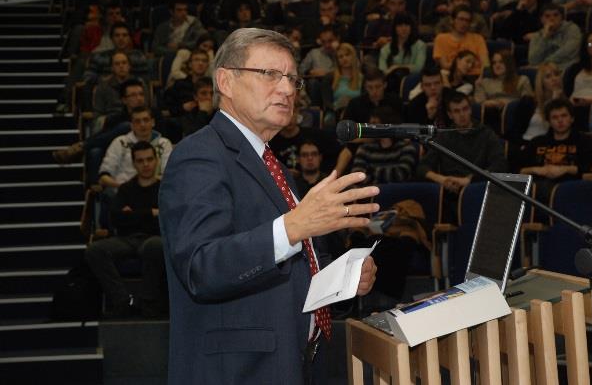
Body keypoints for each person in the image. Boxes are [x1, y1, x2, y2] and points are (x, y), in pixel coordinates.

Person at [158, 28, 378, 385]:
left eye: (292, 78)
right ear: (225, 81)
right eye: (270, 75)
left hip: (294, 365)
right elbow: (201, 267)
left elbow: (289, 270)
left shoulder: (274, 168)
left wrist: (344, 282)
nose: (288, 89)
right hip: (237, 372)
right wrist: (293, 227)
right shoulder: (198, 155)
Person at [85, 141, 167, 318]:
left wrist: (134, 214)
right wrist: (151, 213)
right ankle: (123, 301)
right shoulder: (125, 189)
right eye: (140, 161)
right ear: (134, 163)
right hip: (127, 239)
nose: (145, 164)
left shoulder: (165, 188)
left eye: (149, 159)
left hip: (154, 238)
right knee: (95, 250)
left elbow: (167, 220)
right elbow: (116, 219)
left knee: (155, 246)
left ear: (156, 160)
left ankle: (148, 304)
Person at [416, 92, 508, 221]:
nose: (462, 114)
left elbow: (499, 165)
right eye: (457, 111)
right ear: (450, 115)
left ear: (470, 110)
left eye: (465, 109)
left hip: (478, 188)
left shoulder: (486, 134)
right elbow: (422, 167)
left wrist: (469, 180)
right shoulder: (444, 137)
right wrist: (443, 179)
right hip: (449, 192)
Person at [519, 98, 592, 203]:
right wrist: (537, 170)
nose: (560, 120)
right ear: (549, 121)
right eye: (555, 117)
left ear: (572, 118)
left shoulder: (584, 141)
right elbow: (517, 169)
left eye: (564, 116)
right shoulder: (537, 142)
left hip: (572, 189)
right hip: (538, 188)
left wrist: (566, 169)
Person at [351, 107, 418, 185]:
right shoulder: (365, 148)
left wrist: (370, 172)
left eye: (375, 124)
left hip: (397, 193)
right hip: (370, 192)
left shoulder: (406, 148)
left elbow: (401, 174)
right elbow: (357, 176)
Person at [433, 5, 489, 76]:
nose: (464, 23)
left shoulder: (478, 38)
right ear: (452, 20)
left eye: (467, 20)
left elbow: (485, 64)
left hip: (476, 77)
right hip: (452, 77)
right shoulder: (441, 38)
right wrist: (465, 65)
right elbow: (444, 65)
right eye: (461, 19)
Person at [528, 3, 582, 71]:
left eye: (556, 15)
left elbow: (568, 52)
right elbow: (533, 60)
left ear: (562, 17)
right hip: (544, 71)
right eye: (547, 16)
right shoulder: (537, 36)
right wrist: (544, 38)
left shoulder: (572, 29)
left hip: (567, 67)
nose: (552, 18)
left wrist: (544, 64)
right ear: (541, 19)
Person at [320, 42, 363, 121]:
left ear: (353, 56)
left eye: (347, 55)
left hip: (357, 112)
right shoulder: (330, 78)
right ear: (337, 60)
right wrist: (339, 105)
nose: (344, 59)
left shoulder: (362, 78)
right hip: (335, 113)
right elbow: (327, 102)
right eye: (340, 57)